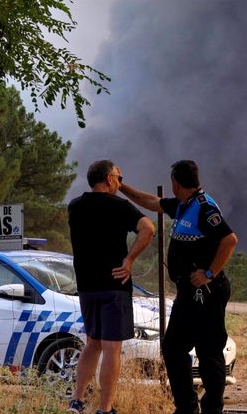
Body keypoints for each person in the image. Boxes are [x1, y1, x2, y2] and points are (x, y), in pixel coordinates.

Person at [120, 160, 238, 414]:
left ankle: (212, 407)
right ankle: (186, 407)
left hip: (206, 291)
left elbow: (229, 240)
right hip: (187, 292)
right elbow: (152, 202)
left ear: (175, 182)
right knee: (173, 347)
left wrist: (209, 273)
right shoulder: (184, 204)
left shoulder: (205, 207)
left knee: (209, 351)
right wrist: (122, 187)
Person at [67, 160, 155, 414]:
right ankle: (105, 409)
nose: (120, 181)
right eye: (119, 176)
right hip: (114, 285)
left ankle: (77, 400)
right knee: (112, 347)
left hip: (86, 285)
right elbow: (148, 228)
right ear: (108, 179)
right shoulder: (120, 206)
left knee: (92, 342)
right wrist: (129, 260)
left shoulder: (75, 206)